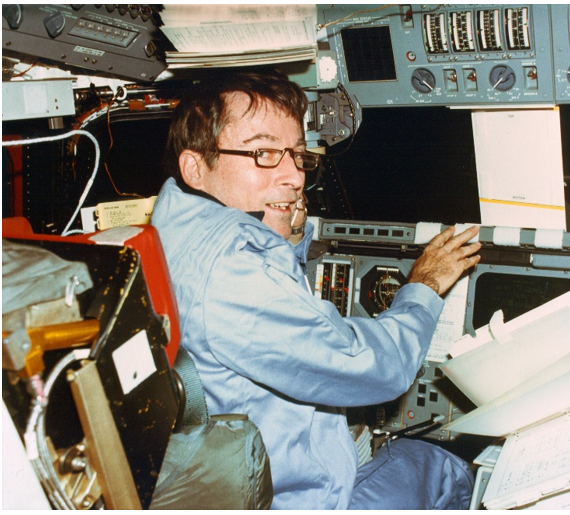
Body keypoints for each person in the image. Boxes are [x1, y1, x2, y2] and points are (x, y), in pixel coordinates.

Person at [149, 69, 480, 509]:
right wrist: (424, 285)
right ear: (196, 167)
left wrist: (288, 238)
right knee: (437, 462)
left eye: (297, 155)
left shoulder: (174, 234)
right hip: (295, 501)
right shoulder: (231, 273)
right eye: (263, 153)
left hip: (235, 476)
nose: (294, 177)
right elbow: (373, 367)